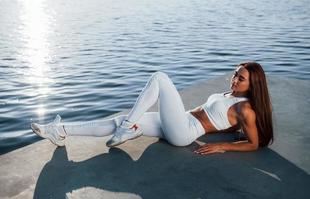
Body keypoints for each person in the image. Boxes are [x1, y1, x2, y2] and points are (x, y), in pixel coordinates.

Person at [31, 61, 273, 155]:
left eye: (240, 78)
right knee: (119, 120)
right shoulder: (230, 94)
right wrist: (223, 130)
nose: (234, 79)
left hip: (184, 131)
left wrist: (221, 146)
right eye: (235, 74)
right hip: (177, 122)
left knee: (159, 78)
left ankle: (127, 129)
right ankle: (60, 130)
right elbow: (221, 119)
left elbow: (254, 143)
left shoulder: (246, 109)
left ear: (254, 84)